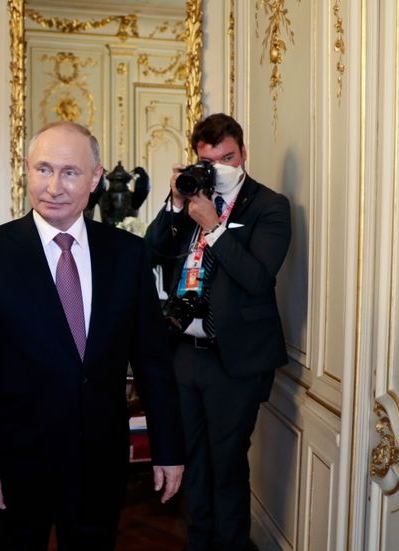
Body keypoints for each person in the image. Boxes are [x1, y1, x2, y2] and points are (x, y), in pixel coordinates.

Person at [0, 121, 185, 551]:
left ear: (95, 178)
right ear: (26, 169)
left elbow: (153, 360)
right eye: (42, 169)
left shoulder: (127, 254)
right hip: (14, 471)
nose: (53, 186)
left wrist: (168, 449)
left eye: (69, 172)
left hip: (100, 467)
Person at [144, 113, 291, 551]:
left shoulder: (268, 205)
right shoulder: (192, 197)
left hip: (235, 360)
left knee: (226, 465)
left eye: (228, 157)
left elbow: (258, 278)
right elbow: (151, 251)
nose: (220, 166)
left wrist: (215, 226)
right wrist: (175, 204)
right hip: (184, 352)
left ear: (243, 154)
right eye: (210, 159)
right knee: (194, 463)